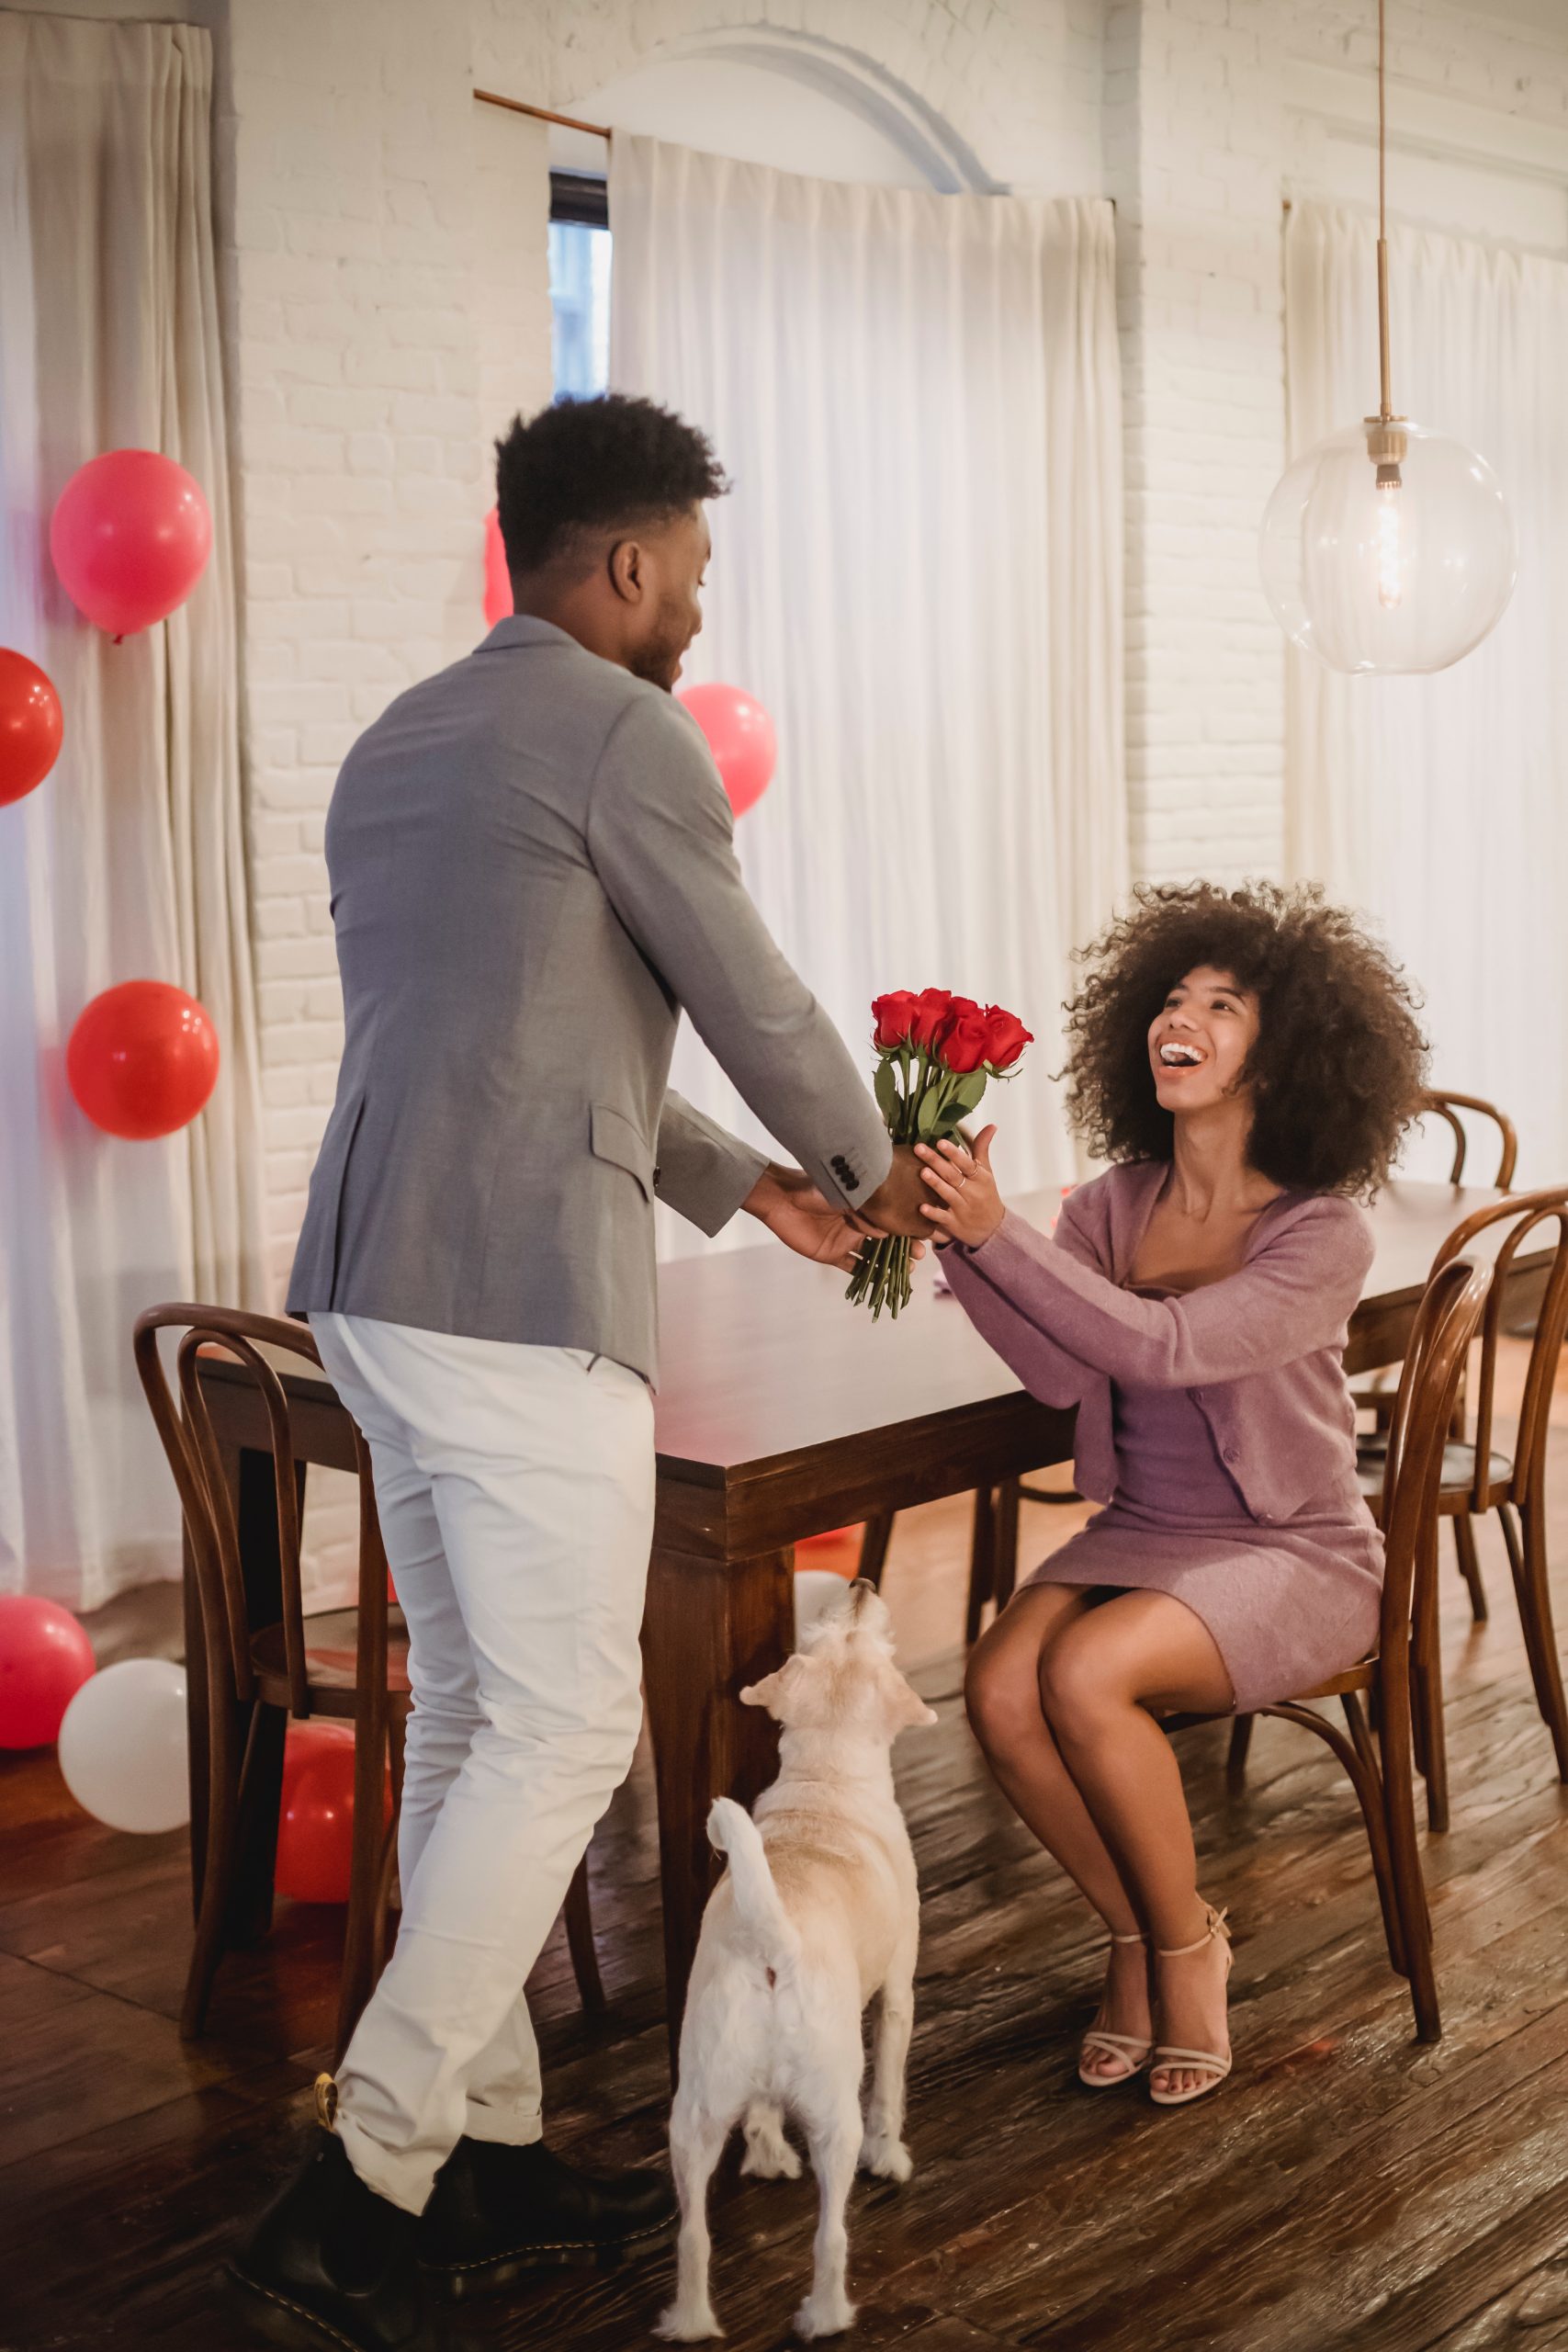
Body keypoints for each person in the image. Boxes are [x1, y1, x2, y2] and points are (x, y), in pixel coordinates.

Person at [230, 393, 928, 2352]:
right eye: (689, 576)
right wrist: (885, 1179)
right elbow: (741, 985)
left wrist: (742, 1185)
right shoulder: (625, 729)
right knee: (559, 1734)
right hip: (513, 1295)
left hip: (370, 1275)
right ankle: (359, 2182)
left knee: (467, 1716)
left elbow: (515, 1024)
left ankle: (485, 2137)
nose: (697, 615)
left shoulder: (399, 741)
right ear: (621, 566)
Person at [917, 882, 1427, 2109]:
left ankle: (1188, 1948)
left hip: (1296, 1551)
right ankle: (1143, 1928)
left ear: (1287, 1050)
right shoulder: (1109, 1205)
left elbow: (1168, 1349)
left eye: (1221, 1004)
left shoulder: (1321, 1233)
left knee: (1085, 1676)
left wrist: (1003, 1237)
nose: (1176, 1018)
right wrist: (956, 1232)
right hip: (1149, 1529)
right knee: (998, 1684)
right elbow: (1058, 1365)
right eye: (1170, 998)